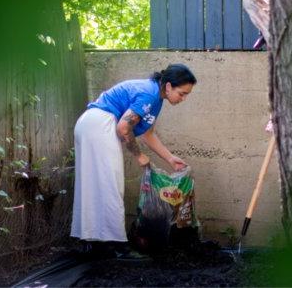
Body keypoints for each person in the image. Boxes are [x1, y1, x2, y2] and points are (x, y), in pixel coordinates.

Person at [70, 63, 197, 258]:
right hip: (100, 125)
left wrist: (170, 158)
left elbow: (147, 133)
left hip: (89, 124)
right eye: (182, 93)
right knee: (112, 186)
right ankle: (115, 245)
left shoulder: (156, 96)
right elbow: (123, 128)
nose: (183, 98)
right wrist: (139, 155)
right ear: (169, 86)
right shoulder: (149, 94)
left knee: (94, 185)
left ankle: (91, 242)